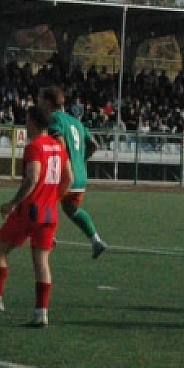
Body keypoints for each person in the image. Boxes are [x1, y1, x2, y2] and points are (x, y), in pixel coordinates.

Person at [0, 106, 70, 328]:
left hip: (29, 210)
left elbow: (32, 178)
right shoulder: (58, 146)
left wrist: (12, 204)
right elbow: (68, 179)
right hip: (49, 213)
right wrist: (53, 199)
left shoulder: (34, 147)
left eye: (27, 120)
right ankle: (40, 313)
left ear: (34, 122)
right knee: (42, 262)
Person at [40, 87, 108, 258]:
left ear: (48, 102)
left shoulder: (54, 119)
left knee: (44, 200)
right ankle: (96, 240)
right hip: (81, 176)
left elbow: (60, 144)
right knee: (71, 208)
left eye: (40, 99)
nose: (38, 103)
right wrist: (81, 160)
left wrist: (64, 164)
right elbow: (94, 144)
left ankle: (50, 237)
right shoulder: (76, 122)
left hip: (66, 174)